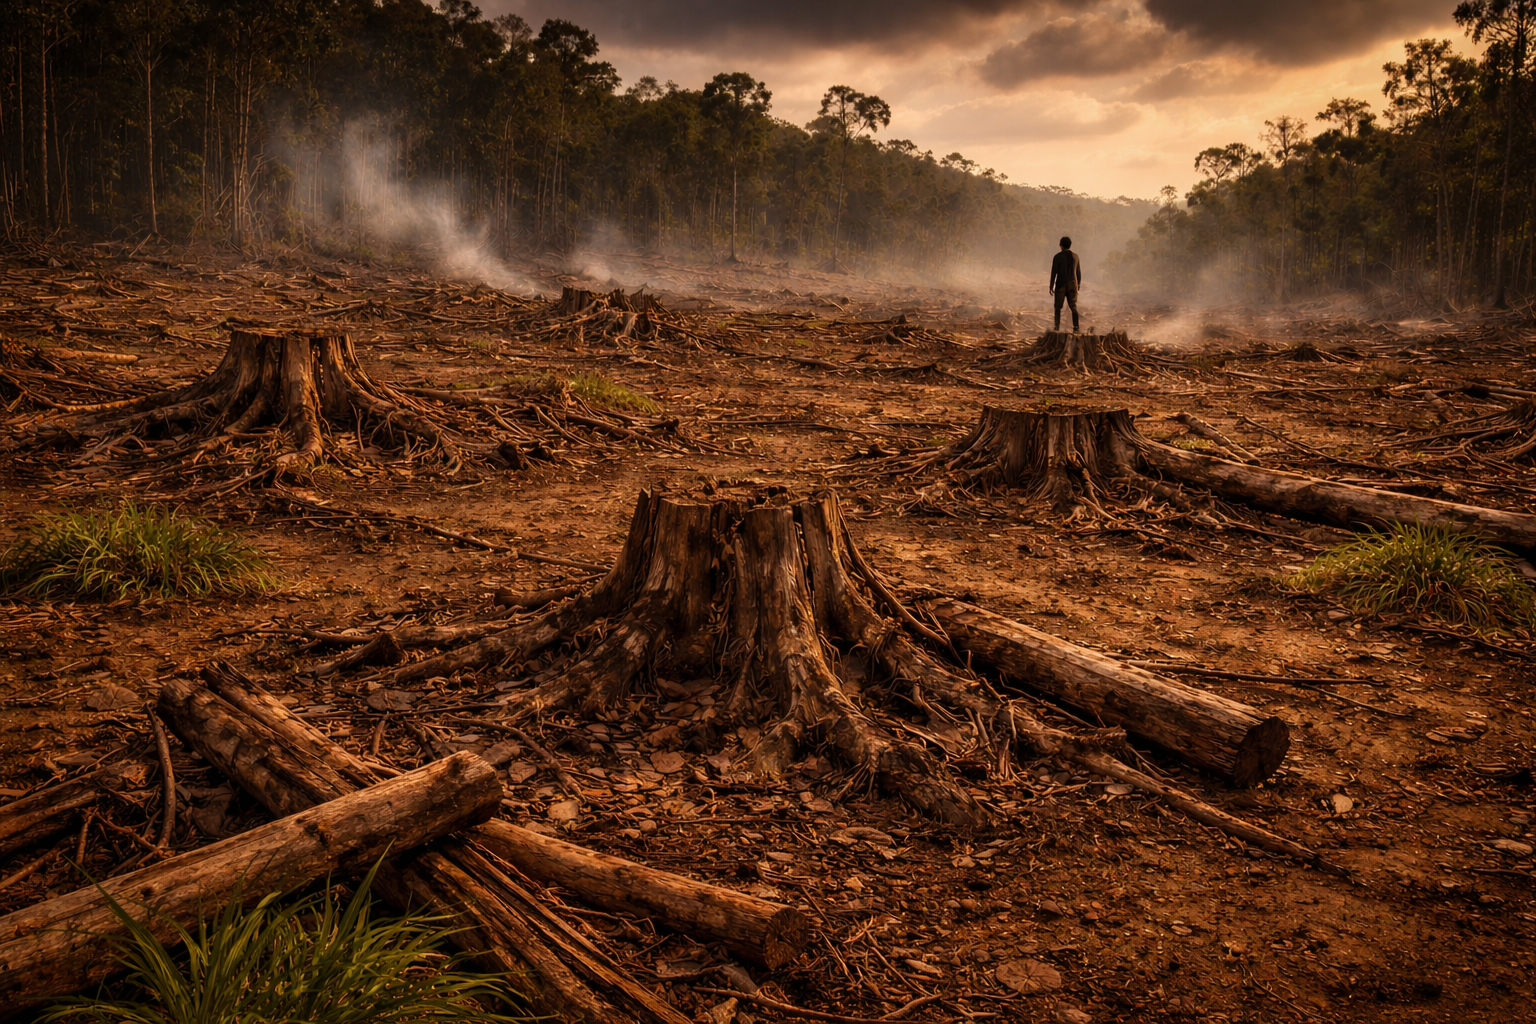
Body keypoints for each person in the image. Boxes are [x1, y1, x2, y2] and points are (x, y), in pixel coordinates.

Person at [1048, 236, 1081, 332]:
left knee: (1057, 307)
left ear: (1061, 245)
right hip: (1073, 284)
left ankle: (1057, 327)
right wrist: (1078, 285)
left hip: (1061, 285)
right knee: (1073, 307)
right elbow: (1078, 273)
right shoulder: (1076, 257)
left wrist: (1051, 285)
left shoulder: (1057, 257)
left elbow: (1054, 272)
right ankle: (1076, 328)